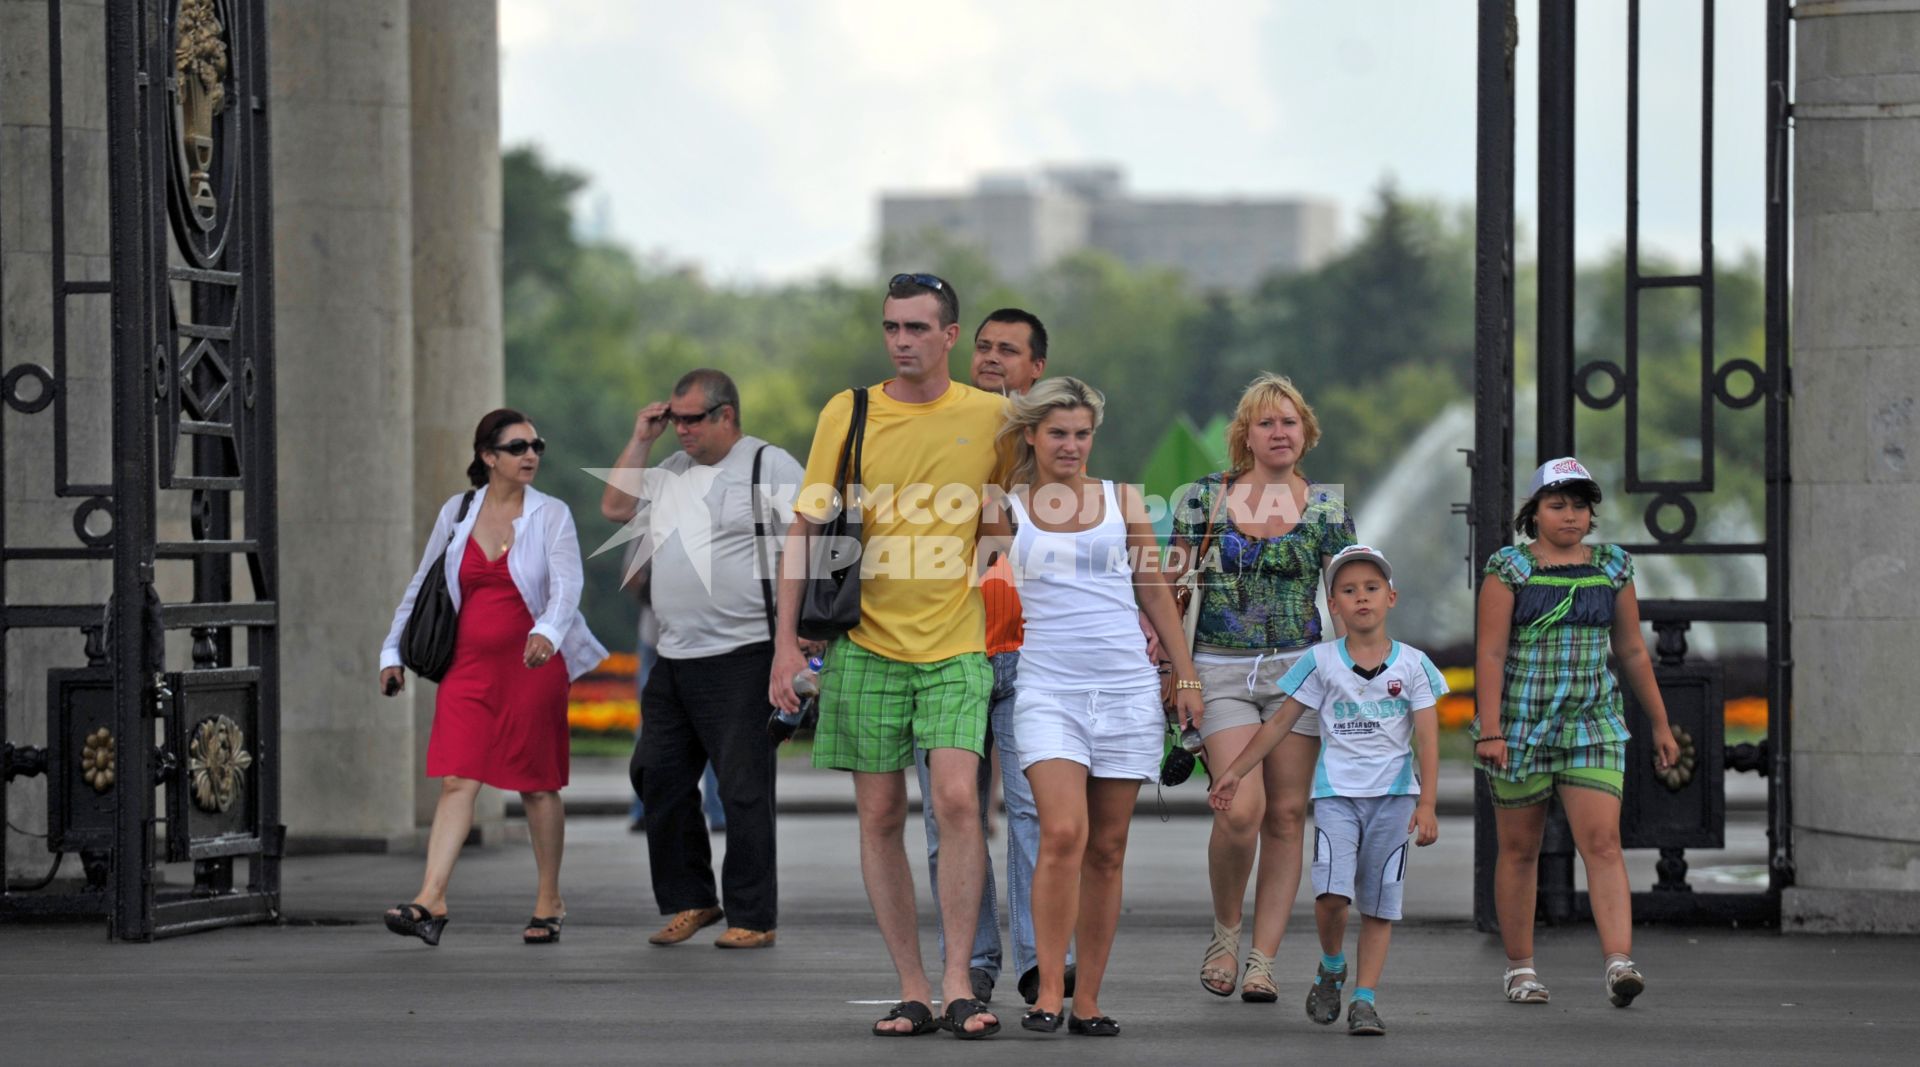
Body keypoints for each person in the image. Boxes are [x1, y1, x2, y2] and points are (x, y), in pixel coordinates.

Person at [769, 273, 1006, 1039]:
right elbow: (805, 528)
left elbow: (1020, 516)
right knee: (877, 814)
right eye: (890, 327)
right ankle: (911, 989)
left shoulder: (994, 415)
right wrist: (782, 645)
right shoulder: (850, 409)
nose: (901, 340)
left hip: (958, 640)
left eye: (915, 327)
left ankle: (960, 981)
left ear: (950, 336)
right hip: (866, 642)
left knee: (959, 801)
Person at [978, 377, 1203, 1037]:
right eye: (1058, 433)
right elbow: (985, 595)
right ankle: (1049, 988)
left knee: (1107, 847)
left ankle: (1089, 999)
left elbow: (1155, 592)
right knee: (1064, 833)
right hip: (1046, 688)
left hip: (1126, 689)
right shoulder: (1005, 506)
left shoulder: (1122, 499)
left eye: (1081, 433)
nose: (1071, 445)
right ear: (1031, 436)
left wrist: (1183, 677)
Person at [379, 409, 607, 946]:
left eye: (536, 446)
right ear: (488, 457)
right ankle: (430, 899)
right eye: (518, 447)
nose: (531, 455)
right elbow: (423, 585)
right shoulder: (458, 511)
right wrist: (392, 650)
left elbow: (566, 586)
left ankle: (549, 899)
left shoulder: (552, 514)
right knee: (458, 778)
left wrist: (548, 632)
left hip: (533, 666)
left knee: (536, 785)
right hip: (468, 669)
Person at [602, 369, 804, 949]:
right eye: (676, 419)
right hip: (674, 655)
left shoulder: (770, 466)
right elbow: (615, 505)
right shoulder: (669, 472)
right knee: (655, 775)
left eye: (692, 419)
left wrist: (800, 643)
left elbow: (812, 546)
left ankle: (754, 916)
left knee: (743, 789)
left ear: (726, 416)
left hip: (746, 653)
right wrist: (643, 437)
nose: (682, 430)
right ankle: (691, 899)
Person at [1170, 373, 1355, 1001]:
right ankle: (1226, 932)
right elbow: (1166, 595)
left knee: (1284, 814)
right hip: (1218, 669)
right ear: (1245, 435)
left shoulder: (1327, 508)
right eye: (1266, 422)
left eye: (1290, 422)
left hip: (1298, 673)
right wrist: (1179, 674)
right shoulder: (1201, 499)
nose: (1280, 432)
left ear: (1306, 433)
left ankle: (1263, 959)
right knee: (1240, 807)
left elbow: (1350, 596)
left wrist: (1366, 672)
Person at [1209, 545, 1441, 1036]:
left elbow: (1429, 736)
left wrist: (1427, 803)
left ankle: (1364, 998)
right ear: (1332, 605)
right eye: (1349, 591)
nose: (1362, 599)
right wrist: (1234, 770)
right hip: (1337, 798)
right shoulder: (1321, 662)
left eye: (1372, 589)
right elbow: (1278, 727)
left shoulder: (1414, 665)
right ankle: (1333, 964)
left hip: (1395, 801)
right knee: (1332, 897)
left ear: (1391, 597)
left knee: (1380, 903)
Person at [1474, 457, 1680, 1007]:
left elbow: (1633, 650)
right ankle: (1520, 969)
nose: (1569, 515)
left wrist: (1659, 721)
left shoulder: (1613, 566)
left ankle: (1619, 963)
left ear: (1592, 515)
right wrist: (1489, 729)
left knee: (1604, 844)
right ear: (1534, 513)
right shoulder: (1509, 569)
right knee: (1520, 850)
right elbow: (1490, 651)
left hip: (1593, 724)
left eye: (1580, 506)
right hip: (1519, 727)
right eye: (1557, 504)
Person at [910, 307, 1072, 1007]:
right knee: (953, 814)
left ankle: (1043, 960)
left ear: (1037, 367)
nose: (991, 358)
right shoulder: (936, 426)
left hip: (1030, 648)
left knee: (1035, 810)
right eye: (982, 347)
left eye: (1009, 350)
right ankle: (970, 960)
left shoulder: (1053, 445)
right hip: (945, 640)